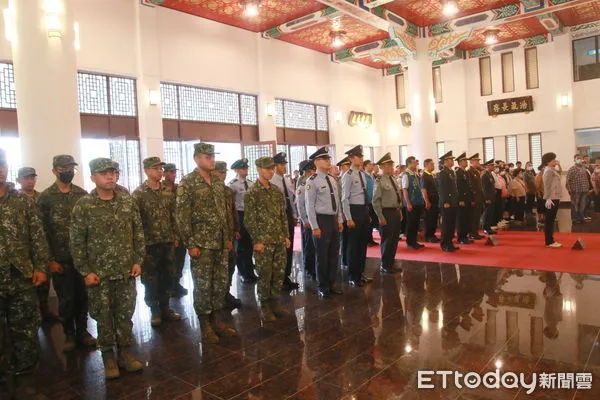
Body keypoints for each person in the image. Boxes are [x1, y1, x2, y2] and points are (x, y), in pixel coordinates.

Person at [70, 158, 145, 379]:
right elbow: (76, 241)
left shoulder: (127, 202)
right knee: (103, 317)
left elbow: (138, 233)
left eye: (113, 172)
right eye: (104, 173)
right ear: (93, 177)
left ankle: (125, 354)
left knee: (124, 315)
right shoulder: (84, 205)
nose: (110, 176)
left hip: (125, 272)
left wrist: (137, 260)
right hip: (99, 275)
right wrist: (85, 270)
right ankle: (108, 358)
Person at [0, 148, 50, 396]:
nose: (0, 171)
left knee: (27, 328)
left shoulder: (22, 201)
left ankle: (26, 376)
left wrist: (40, 266)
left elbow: (37, 236)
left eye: (2, 165)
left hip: (21, 275)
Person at [176, 143, 236, 344]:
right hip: (201, 244)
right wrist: (190, 243)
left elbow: (225, 213)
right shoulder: (188, 183)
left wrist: (227, 238)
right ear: (197, 159)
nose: (211, 160)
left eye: (212, 156)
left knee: (220, 283)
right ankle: (205, 325)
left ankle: (217, 320)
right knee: (203, 285)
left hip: (220, 242)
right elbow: (182, 217)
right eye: (207, 157)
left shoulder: (218, 183)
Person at [38, 154, 96, 351]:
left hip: (81, 258)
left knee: (83, 297)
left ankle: (82, 331)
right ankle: (69, 334)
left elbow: (90, 228)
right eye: (64, 169)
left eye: (71, 168)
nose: (69, 172)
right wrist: (49, 260)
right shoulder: (45, 198)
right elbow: (41, 232)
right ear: (55, 171)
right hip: (60, 260)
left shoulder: (82, 195)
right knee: (66, 299)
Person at [132, 157, 181, 327]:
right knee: (151, 279)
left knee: (168, 275)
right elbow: (136, 222)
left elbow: (174, 215)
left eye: (161, 168)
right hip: (149, 244)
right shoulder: (139, 194)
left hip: (167, 241)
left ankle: (165, 306)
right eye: (155, 168)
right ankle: (154, 309)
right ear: (146, 170)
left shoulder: (168, 191)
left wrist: (176, 236)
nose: (159, 171)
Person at [244, 156, 291, 321]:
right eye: (267, 169)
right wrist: (257, 241)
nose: (271, 171)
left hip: (278, 239)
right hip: (263, 241)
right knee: (265, 274)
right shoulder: (252, 193)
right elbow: (249, 220)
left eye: (272, 168)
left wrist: (286, 235)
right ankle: (265, 306)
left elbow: (282, 215)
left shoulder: (276, 190)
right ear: (258, 169)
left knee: (278, 274)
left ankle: (275, 303)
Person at [305, 148, 343, 299]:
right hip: (321, 220)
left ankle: (331, 283)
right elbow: (309, 205)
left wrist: (339, 220)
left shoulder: (332, 179)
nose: (328, 161)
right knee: (322, 256)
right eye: (324, 159)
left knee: (334, 254)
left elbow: (337, 202)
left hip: (333, 220)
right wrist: (315, 226)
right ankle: (322, 286)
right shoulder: (312, 181)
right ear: (316, 162)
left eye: (328, 158)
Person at [342, 145, 372, 286]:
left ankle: (360, 273)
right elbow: (344, 198)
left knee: (362, 244)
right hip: (354, 210)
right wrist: (348, 217)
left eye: (361, 156)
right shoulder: (347, 176)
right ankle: (353, 276)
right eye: (358, 156)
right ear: (351, 159)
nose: (361, 159)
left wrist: (367, 213)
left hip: (363, 210)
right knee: (354, 245)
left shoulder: (362, 174)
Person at [214, 161, 242, 310]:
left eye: (224, 172)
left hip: (229, 235)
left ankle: (226, 292)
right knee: (218, 268)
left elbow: (232, 211)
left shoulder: (227, 191)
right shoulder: (210, 191)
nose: (222, 175)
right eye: (220, 172)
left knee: (230, 264)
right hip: (215, 237)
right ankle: (217, 296)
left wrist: (236, 228)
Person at [271, 152, 299, 291]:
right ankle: (279, 278)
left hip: (288, 216)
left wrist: (294, 215)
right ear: (275, 166)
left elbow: (291, 199)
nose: (285, 167)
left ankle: (286, 275)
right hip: (278, 217)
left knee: (290, 246)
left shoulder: (287, 180)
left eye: (285, 164)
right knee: (281, 248)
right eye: (282, 164)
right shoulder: (272, 181)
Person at [228, 158, 258, 284]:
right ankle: (242, 272)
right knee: (240, 246)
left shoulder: (251, 184)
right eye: (242, 168)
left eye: (246, 168)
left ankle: (250, 271)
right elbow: (230, 204)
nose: (245, 170)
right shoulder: (232, 184)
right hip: (239, 215)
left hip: (249, 214)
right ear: (236, 170)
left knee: (249, 245)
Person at [373, 152, 403, 274]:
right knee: (387, 240)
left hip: (394, 211)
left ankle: (391, 263)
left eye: (391, 164)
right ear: (382, 167)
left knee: (394, 239)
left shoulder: (393, 178)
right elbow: (375, 201)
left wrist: (399, 211)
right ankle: (385, 265)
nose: (391, 167)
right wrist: (380, 216)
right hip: (386, 212)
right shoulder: (379, 180)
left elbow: (397, 196)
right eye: (388, 165)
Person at [162, 163, 188, 297]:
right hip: (168, 230)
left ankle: (176, 283)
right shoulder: (161, 189)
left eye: (174, 172)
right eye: (170, 172)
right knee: (169, 262)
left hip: (181, 229)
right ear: (164, 173)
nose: (173, 175)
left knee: (180, 259)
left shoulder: (178, 188)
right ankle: (169, 286)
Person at [295, 159, 316, 281]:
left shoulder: (314, 182)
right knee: (309, 246)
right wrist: (304, 220)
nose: (313, 172)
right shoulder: (302, 185)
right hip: (307, 219)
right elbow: (300, 205)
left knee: (314, 245)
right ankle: (309, 269)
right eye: (311, 170)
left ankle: (314, 268)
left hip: (315, 218)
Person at [401, 156, 425, 250]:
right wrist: (408, 203)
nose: (416, 164)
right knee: (411, 224)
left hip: (418, 203)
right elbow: (405, 189)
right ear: (409, 164)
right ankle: (410, 242)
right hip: (412, 203)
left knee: (416, 224)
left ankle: (414, 241)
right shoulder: (406, 175)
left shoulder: (414, 174)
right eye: (414, 163)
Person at [438, 151, 460, 252]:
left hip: (453, 201)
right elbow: (442, 189)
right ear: (446, 161)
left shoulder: (451, 172)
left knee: (451, 224)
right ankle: (444, 243)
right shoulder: (443, 173)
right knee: (446, 224)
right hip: (447, 203)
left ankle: (450, 242)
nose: (452, 161)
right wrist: (445, 201)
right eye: (451, 160)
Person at [542, 152, 562, 248]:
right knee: (549, 220)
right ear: (548, 162)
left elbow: (559, 173)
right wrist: (548, 198)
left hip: (555, 197)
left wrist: (558, 165)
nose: (555, 161)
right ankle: (549, 241)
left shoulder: (552, 169)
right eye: (553, 160)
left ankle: (550, 240)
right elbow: (547, 185)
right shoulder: (548, 171)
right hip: (552, 198)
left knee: (551, 219)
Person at [566, 154, 591, 224]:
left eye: (580, 158)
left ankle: (581, 217)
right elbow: (567, 181)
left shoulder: (583, 168)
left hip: (584, 190)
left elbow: (586, 178)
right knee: (575, 204)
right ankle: (575, 218)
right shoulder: (571, 169)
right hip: (575, 190)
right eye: (577, 158)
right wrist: (569, 190)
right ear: (574, 160)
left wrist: (588, 188)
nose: (579, 160)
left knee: (583, 204)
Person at [455, 153, 474, 245]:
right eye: (464, 161)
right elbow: (459, 188)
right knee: (461, 219)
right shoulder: (458, 173)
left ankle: (465, 236)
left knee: (467, 219)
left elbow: (468, 186)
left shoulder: (465, 172)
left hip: (467, 199)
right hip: (462, 199)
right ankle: (461, 237)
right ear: (460, 162)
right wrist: (460, 200)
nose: (466, 162)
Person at [336, 157, 350, 268]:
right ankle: (344, 260)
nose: (349, 168)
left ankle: (348, 259)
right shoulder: (339, 180)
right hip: (343, 214)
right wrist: (343, 215)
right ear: (341, 167)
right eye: (347, 166)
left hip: (350, 212)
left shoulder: (349, 177)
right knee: (344, 239)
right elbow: (340, 199)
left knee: (349, 239)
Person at [420, 158, 439, 243]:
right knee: (429, 219)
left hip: (435, 200)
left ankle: (433, 234)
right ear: (426, 165)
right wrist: (427, 201)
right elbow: (423, 190)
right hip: (429, 200)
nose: (433, 165)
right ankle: (428, 236)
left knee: (434, 218)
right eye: (431, 164)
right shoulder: (424, 175)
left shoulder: (432, 175)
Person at [467, 154, 485, 240]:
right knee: (473, 216)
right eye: (476, 161)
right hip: (474, 198)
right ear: (471, 162)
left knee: (477, 216)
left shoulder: (476, 172)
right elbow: (470, 187)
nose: (478, 162)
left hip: (478, 197)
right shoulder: (469, 172)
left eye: (478, 161)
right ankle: (472, 233)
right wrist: (472, 199)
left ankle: (475, 232)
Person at [363, 160, 378, 247]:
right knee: (368, 222)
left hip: (374, 202)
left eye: (372, 164)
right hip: (368, 202)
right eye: (370, 164)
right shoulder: (364, 176)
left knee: (372, 222)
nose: (372, 166)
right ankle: (368, 240)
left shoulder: (372, 176)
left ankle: (370, 239)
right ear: (365, 166)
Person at [481, 159, 497, 235]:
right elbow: (484, 188)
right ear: (487, 166)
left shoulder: (490, 174)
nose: (493, 166)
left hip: (492, 197)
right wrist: (486, 198)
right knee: (487, 213)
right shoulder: (484, 176)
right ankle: (485, 228)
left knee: (490, 213)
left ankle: (488, 227)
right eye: (492, 165)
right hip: (488, 198)